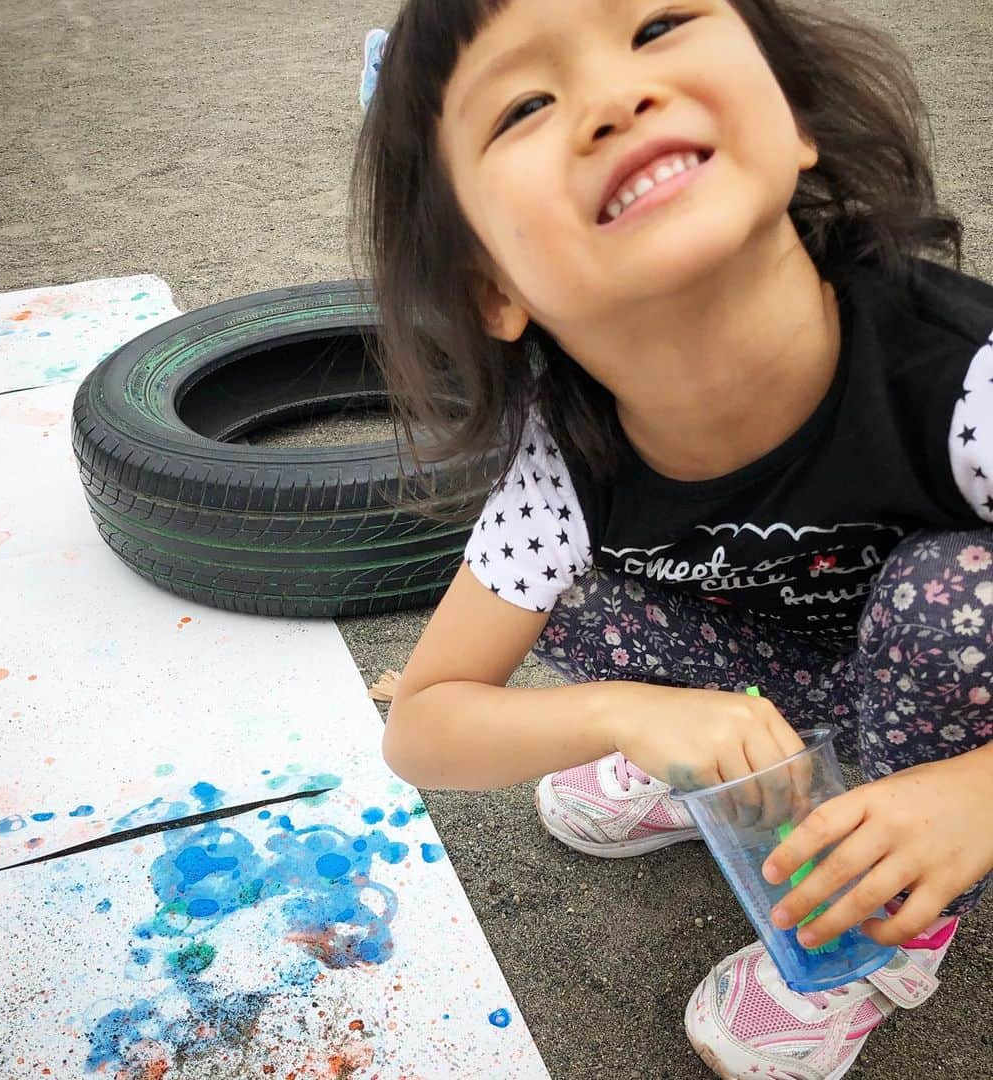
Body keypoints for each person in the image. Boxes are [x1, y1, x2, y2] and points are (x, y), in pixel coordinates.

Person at [349, 1, 993, 1077]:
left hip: (948, 684)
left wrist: (978, 792)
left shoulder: (964, 387)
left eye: (658, 25)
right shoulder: (562, 460)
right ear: (490, 286)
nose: (611, 99)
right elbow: (420, 727)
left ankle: (886, 929)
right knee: (573, 590)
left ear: (792, 118)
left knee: (960, 595)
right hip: (780, 678)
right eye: (525, 104)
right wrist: (628, 715)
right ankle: (726, 780)